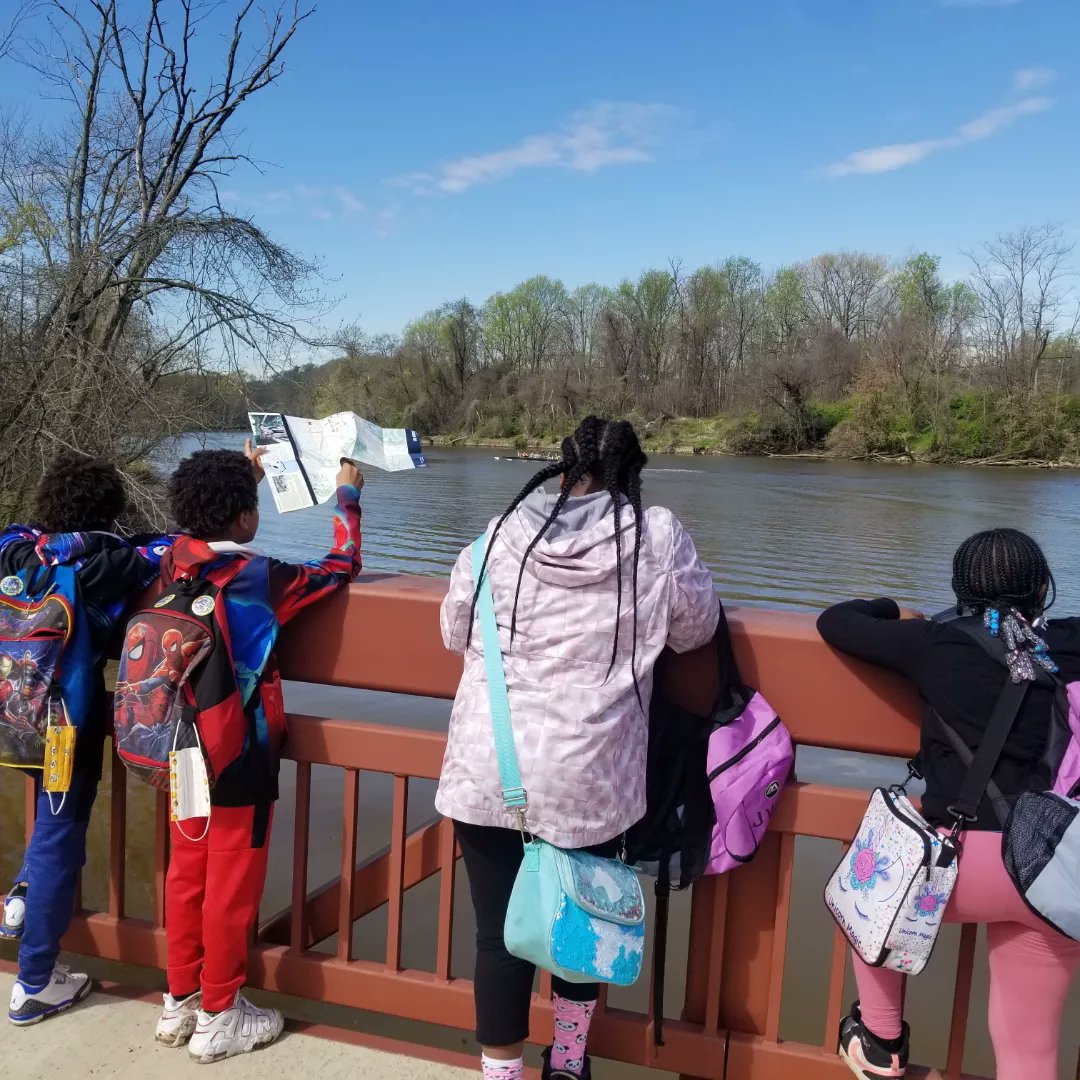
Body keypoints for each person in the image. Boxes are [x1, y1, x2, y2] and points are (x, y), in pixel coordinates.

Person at [437, 417, 719, 1080]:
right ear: (633, 476)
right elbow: (695, 628)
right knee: (585, 924)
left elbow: (455, 628)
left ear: (562, 471)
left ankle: (500, 1075)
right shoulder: (655, 535)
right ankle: (567, 1066)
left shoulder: (501, 533)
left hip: (491, 766)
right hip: (590, 772)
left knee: (495, 937)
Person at [817, 528, 1080, 1080]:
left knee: (865, 885)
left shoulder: (936, 641)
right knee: (1028, 1049)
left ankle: (881, 1040)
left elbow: (836, 621)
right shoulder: (1069, 642)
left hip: (959, 868)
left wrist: (891, 607)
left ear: (960, 587)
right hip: (1058, 869)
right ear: (1043, 591)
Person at [156, 443, 362, 1064]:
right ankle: (220, 1014)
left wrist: (238, 479)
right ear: (247, 518)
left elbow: (197, 527)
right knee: (231, 884)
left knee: (186, 874)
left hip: (180, 746)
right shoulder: (257, 576)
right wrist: (347, 496)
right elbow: (340, 565)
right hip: (239, 755)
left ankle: (180, 1001)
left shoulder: (170, 562)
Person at [2, 452, 171, 1025]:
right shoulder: (116, 562)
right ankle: (33, 985)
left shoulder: (13, 545)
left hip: (9, 711)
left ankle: (22, 896)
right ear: (111, 513)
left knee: (49, 832)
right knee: (59, 834)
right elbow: (173, 545)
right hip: (61, 728)